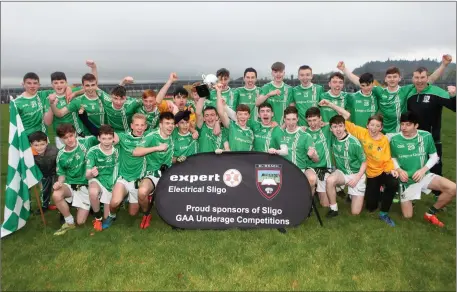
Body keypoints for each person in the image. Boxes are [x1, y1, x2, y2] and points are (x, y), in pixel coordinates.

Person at [320, 100, 398, 226]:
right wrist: (329, 104)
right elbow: (345, 116)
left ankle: (377, 198)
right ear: (367, 125)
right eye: (372, 125)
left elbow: (385, 158)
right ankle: (334, 209)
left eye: (378, 126)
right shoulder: (360, 133)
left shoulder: (371, 141)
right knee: (330, 180)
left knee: (360, 211)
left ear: (381, 128)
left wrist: (392, 169)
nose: (374, 128)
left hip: (365, 172)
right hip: (359, 173)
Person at [336, 54, 452, 136]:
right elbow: (361, 82)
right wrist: (344, 69)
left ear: (399, 78)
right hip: (383, 133)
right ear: (385, 79)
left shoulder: (405, 90)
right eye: (389, 77)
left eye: (395, 76)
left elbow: (428, 80)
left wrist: (443, 65)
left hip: (401, 132)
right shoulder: (380, 91)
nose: (392, 79)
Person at [390, 111, 456, 227]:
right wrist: (399, 170)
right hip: (406, 180)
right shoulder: (395, 139)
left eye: (408, 124)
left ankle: (430, 214)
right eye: (402, 124)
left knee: (453, 188)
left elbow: (434, 156)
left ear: (416, 125)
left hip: (424, 175)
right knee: (408, 216)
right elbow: (392, 158)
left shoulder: (426, 136)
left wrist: (423, 170)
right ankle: (408, 195)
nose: (404, 128)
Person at [405, 67, 456, 195]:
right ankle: (411, 191)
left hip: (433, 138)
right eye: (417, 78)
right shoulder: (410, 94)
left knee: (436, 166)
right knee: (413, 165)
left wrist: (453, 95)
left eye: (422, 77)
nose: (419, 81)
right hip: (414, 138)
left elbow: (454, 107)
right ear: (413, 79)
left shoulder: (436, 92)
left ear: (428, 78)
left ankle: (437, 194)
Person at [101, 113, 149, 230]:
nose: (139, 128)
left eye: (142, 125)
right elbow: (109, 136)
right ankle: (112, 216)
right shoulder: (123, 137)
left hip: (138, 180)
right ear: (131, 126)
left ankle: (127, 198)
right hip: (123, 178)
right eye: (137, 125)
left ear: (146, 127)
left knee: (133, 213)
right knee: (115, 202)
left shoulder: (148, 138)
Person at [52, 124, 99, 235]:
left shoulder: (86, 143)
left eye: (71, 136)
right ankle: (69, 222)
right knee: (56, 194)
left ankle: (91, 203)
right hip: (70, 184)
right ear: (61, 139)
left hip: (85, 184)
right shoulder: (61, 154)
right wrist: (59, 183)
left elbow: (102, 136)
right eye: (65, 138)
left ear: (75, 134)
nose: (69, 140)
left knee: (81, 222)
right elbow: (62, 174)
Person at [131, 112, 175, 229]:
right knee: (142, 192)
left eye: (172, 123)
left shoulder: (173, 136)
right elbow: (136, 152)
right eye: (167, 123)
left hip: (170, 172)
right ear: (160, 125)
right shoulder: (152, 136)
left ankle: (176, 216)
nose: (170, 126)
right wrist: (157, 148)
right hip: (153, 172)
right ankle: (146, 213)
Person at [325, 115, 367, 217]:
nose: (338, 129)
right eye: (335, 127)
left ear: (344, 127)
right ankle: (334, 209)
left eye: (340, 126)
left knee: (355, 213)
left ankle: (355, 194)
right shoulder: (333, 139)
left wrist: (357, 178)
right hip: (343, 173)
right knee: (329, 180)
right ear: (331, 129)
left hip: (357, 174)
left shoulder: (354, 142)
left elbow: (364, 162)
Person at [272, 106, 317, 194]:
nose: (291, 122)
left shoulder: (305, 136)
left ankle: (308, 202)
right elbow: (272, 151)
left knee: (312, 178)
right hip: (284, 169)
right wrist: (272, 150)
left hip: (301, 169)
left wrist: (313, 155)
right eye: (288, 119)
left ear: (297, 119)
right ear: (284, 119)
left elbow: (316, 159)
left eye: (293, 119)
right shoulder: (280, 134)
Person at [85, 124, 119, 231]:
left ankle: (107, 214)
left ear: (113, 138)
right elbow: (87, 175)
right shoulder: (93, 151)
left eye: (109, 138)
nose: (107, 141)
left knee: (107, 216)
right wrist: (91, 173)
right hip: (98, 179)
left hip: (111, 180)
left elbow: (118, 170)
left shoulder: (117, 151)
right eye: (103, 138)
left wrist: (115, 184)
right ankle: (97, 218)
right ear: (98, 138)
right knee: (93, 192)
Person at [302, 107, 333, 207]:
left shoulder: (327, 129)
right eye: (309, 121)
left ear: (320, 118)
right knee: (311, 179)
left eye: (315, 120)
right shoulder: (304, 132)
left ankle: (317, 191)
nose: (312, 123)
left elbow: (346, 116)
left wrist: (329, 105)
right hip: (311, 167)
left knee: (325, 205)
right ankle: (308, 203)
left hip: (325, 168)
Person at [47, 71, 86, 148]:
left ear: (66, 83)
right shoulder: (49, 96)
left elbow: (86, 88)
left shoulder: (72, 92)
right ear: (52, 84)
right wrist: (52, 103)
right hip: (60, 136)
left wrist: (73, 92)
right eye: (56, 83)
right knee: (64, 157)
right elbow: (56, 116)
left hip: (76, 133)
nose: (59, 85)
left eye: (62, 82)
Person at [216, 83, 254, 151]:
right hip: (232, 160)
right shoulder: (231, 126)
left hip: (245, 161)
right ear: (236, 115)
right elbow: (221, 113)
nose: (243, 117)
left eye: (245, 114)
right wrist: (219, 92)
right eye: (240, 114)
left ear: (249, 116)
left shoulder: (251, 132)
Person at [15, 72, 54, 136]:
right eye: (29, 83)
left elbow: (61, 90)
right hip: (26, 139)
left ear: (39, 85)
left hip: (42, 139)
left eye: (35, 83)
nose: (32, 86)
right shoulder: (16, 102)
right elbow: (15, 126)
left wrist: (68, 89)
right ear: (23, 84)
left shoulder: (43, 95)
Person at [29, 131, 58, 214]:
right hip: (43, 173)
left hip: (55, 172)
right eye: (36, 145)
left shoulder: (54, 151)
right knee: (45, 190)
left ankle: (63, 205)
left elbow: (60, 162)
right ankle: (45, 205)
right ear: (31, 144)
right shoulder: (29, 154)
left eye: (42, 144)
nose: (39, 147)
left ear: (47, 143)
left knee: (56, 189)